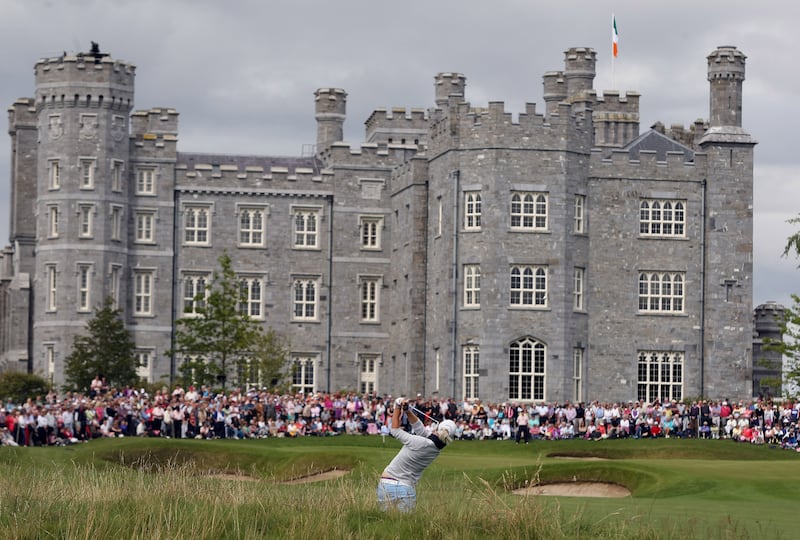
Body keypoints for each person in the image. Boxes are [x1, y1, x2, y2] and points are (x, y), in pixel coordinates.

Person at [377, 398, 456, 512]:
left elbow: (394, 431)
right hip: (406, 488)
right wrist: (408, 411)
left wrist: (397, 407)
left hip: (386, 484)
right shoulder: (436, 446)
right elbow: (421, 430)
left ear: (438, 428)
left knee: (383, 522)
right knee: (403, 526)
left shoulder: (422, 443)